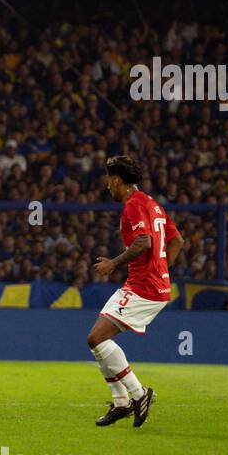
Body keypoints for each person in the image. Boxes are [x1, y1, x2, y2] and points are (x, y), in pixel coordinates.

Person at [87, 156, 184, 428]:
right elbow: (178, 240)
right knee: (95, 340)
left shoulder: (133, 206)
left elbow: (144, 241)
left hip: (145, 287)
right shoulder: (152, 204)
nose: (108, 185)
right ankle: (120, 403)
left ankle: (139, 395)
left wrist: (112, 263)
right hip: (147, 283)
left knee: (97, 338)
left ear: (117, 179)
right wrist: (162, 269)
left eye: (109, 179)